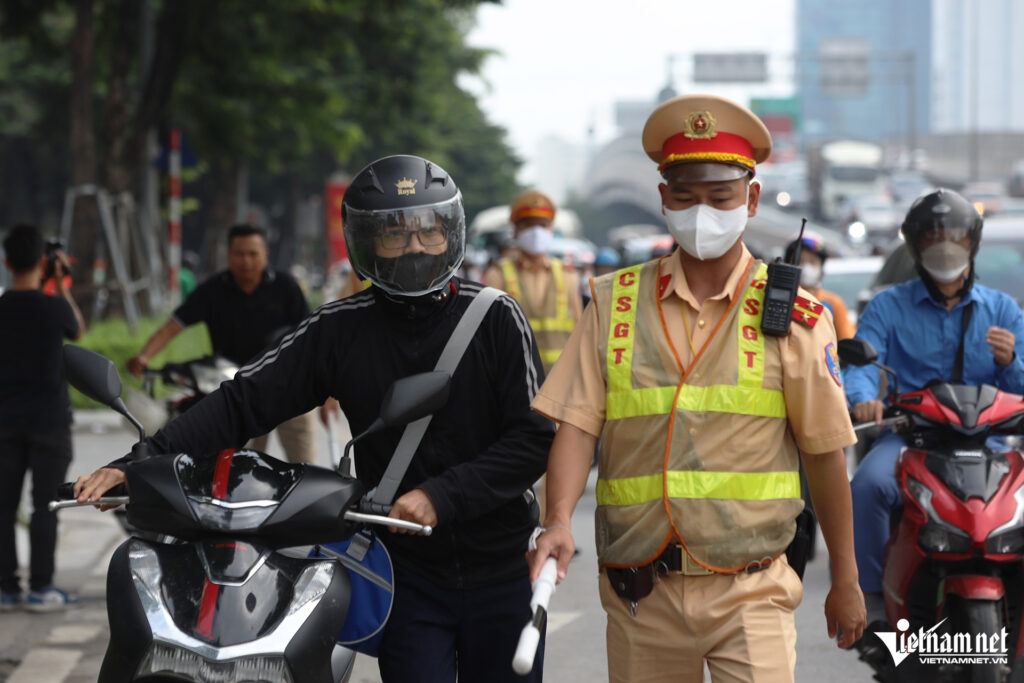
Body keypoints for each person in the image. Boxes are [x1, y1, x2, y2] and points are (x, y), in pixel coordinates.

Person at [74, 155, 553, 683]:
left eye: (428, 233)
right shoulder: (339, 330)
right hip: (408, 573)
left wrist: (444, 495)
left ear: (450, 234)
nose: (415, 248)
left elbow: (533, 439)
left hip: (502, 566)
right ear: (367, 244)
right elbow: (244, 400)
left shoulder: (495, 317)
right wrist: (139, 461)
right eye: (396, 236)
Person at [526, 94, 866, 683]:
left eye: (720, 196)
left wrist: (846, 577)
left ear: (752, 199)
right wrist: (557, 520)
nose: (701, 211)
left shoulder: (799, 317)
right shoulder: (614, 304)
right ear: (662, 199)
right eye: (684, 196)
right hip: (641, 593)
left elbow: (824, 452)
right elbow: (578, 425)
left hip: (753, 589)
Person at [845, 188, 1024, 631]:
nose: (945, 245)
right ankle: (871, 602)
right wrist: (863, 400)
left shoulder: (1003, 310)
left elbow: (1020, 386)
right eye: (933, 237)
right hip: (911, 438)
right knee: (867, 486)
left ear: (973, 244)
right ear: (915, 245)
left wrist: (1010, 361)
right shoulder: (887, 306)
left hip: (989, 442)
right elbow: (861, 365)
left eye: (957, 236)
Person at [126, 224, 318, 464]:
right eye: (239, 254)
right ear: (228, 255)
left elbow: (314, 336)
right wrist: (145, 356)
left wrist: (328, 388)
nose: (245, 261)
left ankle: (305, 500)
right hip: (238, 389)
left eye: (253, 254)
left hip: (289, 386)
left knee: (304, 463)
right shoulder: (213, 290)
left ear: (265, 255)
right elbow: (173, 326)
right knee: (242, 466)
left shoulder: (286, 286)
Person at [0, 224, 85, 611]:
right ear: (42, 263)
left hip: (4, 421)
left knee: (3, 505)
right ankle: (40, 587)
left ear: (6, 263)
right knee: (45, 505)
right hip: (49, 420)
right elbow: (78, 330)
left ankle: (4, 588)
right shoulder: (54, 307)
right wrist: (61, 283)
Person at [484, 190, 584, 374]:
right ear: (515, 232)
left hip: (560, 380)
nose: (536, 232)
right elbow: (489, 332)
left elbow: (579, 332)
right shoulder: (498, 274)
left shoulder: (568, 275)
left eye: (542, 225)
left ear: (551, 231)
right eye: (528, 225)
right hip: (515, 378)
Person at [784, 232, 856, 339]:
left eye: (812, 261)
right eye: (799, 261)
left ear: (822, 270)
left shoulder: (832, 303)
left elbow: (847, 341)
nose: (806, 267)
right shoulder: (779, 296)